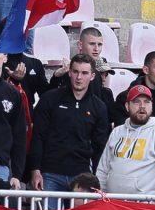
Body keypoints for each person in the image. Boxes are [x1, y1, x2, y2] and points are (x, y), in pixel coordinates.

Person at [27, 54, 111, 194]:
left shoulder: (99, 107)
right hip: (50, 173)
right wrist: (35, 170)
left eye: (84, 73)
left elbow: (100, 146)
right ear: (69, 73)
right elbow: (38, 137)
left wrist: (97, 179)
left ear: (92, 76)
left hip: (82, 177)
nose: (79, 77)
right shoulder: (50, 99)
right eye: (76, 72)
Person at [97, 84, 155, 197]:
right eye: (137, 102)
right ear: (127, 106)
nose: (142, 106)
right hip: (113, 202)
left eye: (147, 102)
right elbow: (102, 170)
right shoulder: (117, 132)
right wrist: (99, 195)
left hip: (144, 205)